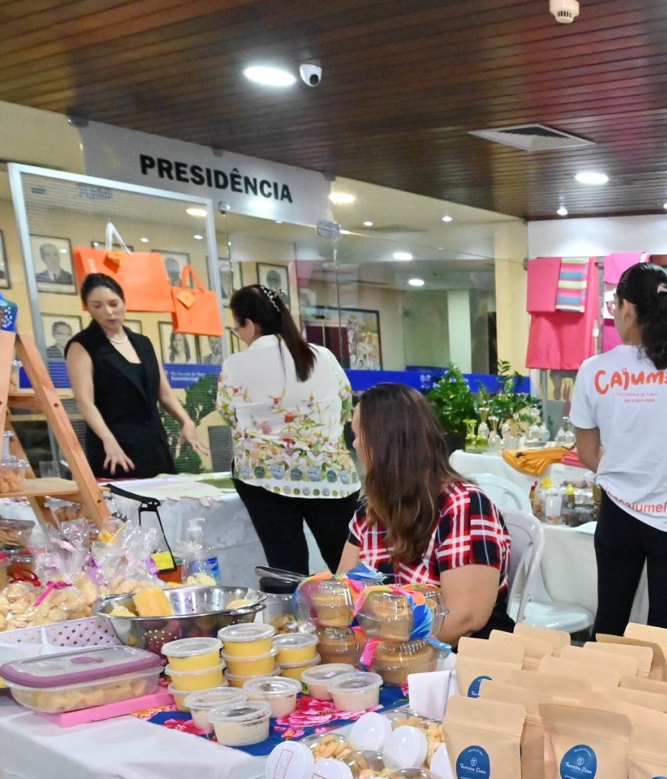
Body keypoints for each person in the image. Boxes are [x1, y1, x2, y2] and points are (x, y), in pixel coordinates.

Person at [571, 262, 667, 634]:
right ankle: (659, 693)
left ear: (626, 308)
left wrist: (626, 476)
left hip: (618, 516)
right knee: (665, 634)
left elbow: (587, 453)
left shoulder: (594, 370)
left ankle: (603, 692)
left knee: (609, 622)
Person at [338, 383, 509, 642]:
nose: (355, 445)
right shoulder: (371, 509)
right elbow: (344, 592)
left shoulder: (464, 505)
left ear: (382, 443)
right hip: (385, 650)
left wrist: (385, 647)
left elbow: (465, 619)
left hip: (455, 658)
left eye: (358, 434)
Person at [219, 283, 361, 573]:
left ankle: (292, 617)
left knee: (286, 567)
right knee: (348, 564)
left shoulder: (235, 365)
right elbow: (346, 408)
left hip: (264, 478)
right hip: (329, 475)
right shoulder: (323, 357)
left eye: (237, 328)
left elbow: (229, 415)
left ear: (250, 324)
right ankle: (363, 614)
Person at [64, 273, 208, 479]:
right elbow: (84, 400)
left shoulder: (143, 343)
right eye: (97, 306)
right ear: (87, 307)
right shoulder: (83, 345)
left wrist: (187, 421)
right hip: (114, 448)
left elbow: (164, 394)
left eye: (114, 303)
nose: (108, 312)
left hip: (153, 444)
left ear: (124, 302)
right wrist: (107, 439)